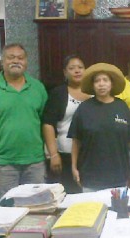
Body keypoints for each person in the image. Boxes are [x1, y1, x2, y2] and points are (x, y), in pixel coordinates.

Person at [0, 43, 48, 204]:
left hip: (35, 162)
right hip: (2, 164)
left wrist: (51, 155)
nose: (16, 61)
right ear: (2, 62)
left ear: (26, 62)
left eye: (20, 58)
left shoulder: (38, 88)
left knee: (36, 209)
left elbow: (45, 125)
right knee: (3, 212)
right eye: (10, 57)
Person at [68, 63, 130, 192]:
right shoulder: (84, 108)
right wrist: (73, 167)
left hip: (119, 177)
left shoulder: (122, 107)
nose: (101, 84)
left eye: (105, 80)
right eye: (97, 81)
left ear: (111, 84)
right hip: (91, 178)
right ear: (92, 85)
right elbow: (76, 140)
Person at [42, 54, 90, 193]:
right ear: (65, 72)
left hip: (89, 155)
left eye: (80, 67)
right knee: (69, 195)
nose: (77, 71)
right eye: (72, 68)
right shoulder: (58, 93)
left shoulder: (95, 92)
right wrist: (53, 154)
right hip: (65, 154)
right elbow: (48, 124)